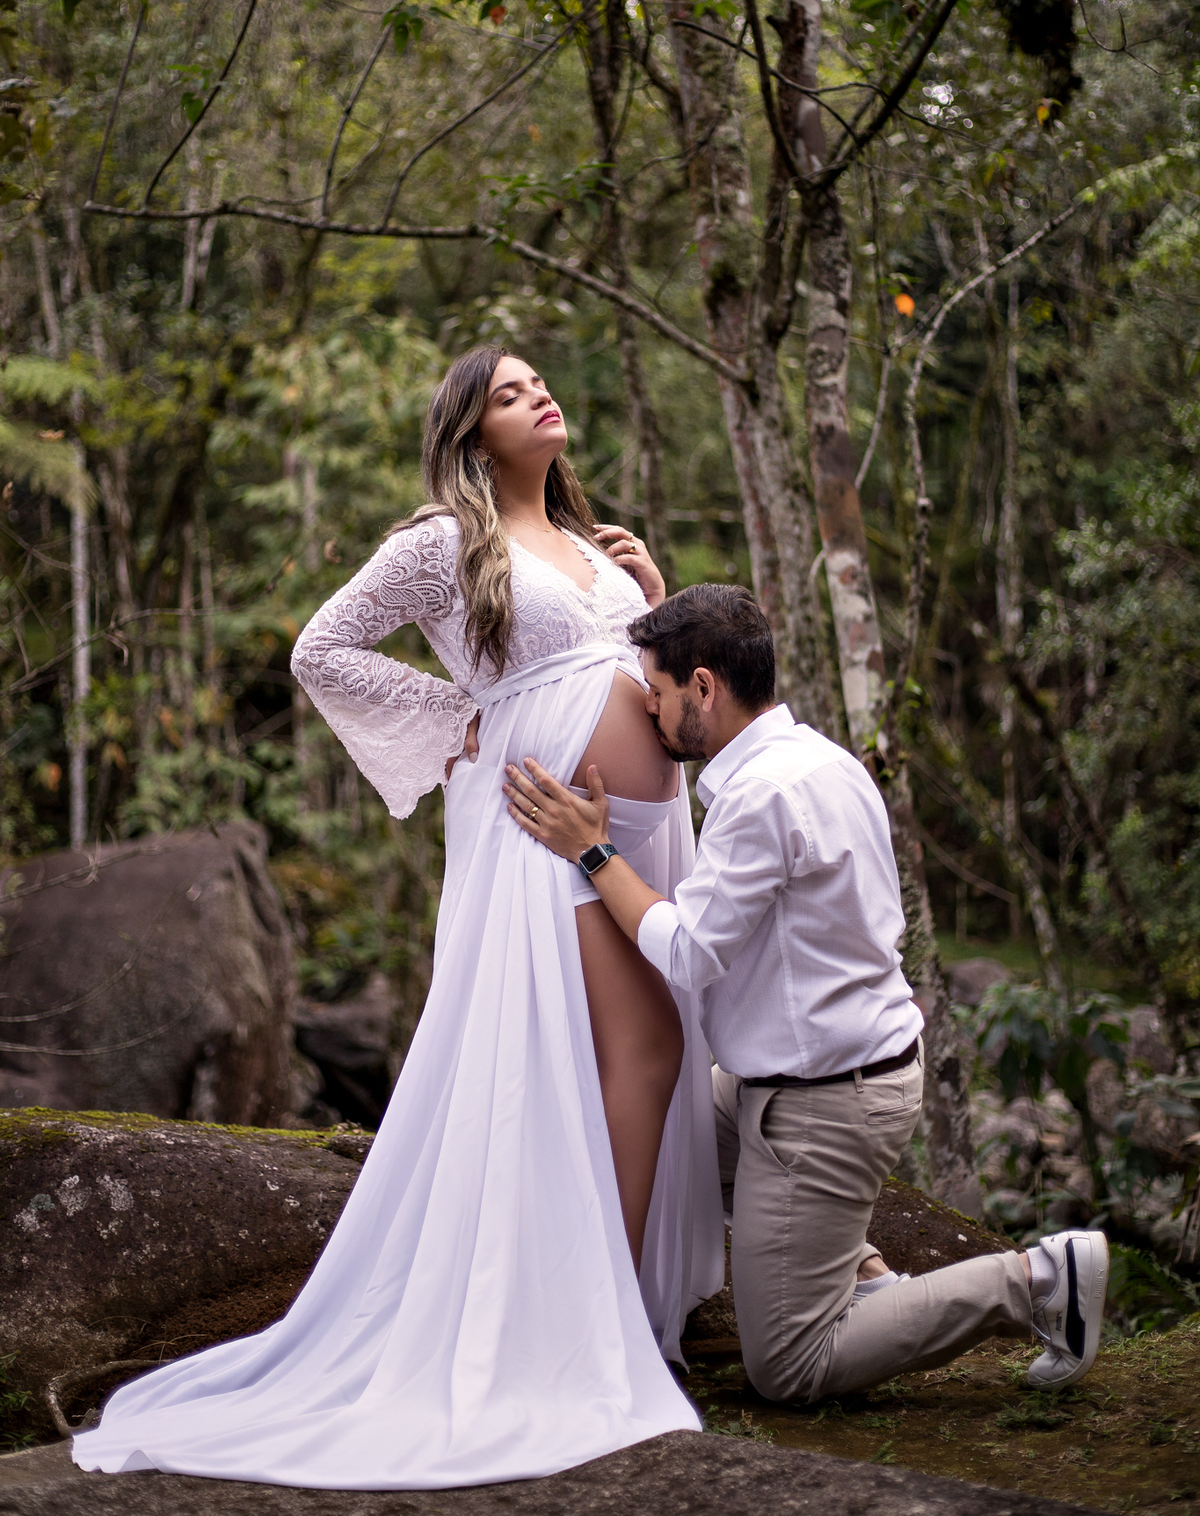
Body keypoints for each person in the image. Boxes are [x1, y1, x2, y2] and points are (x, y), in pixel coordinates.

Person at [73, 348, 723, 1490]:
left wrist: (655, 594)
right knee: (631, 1053)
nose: (540, 397)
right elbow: (319, 647)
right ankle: (596, 1323)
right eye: (513, 392)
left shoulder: (595, 544)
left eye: (539, 381)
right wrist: (457, 726)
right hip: (544, 827)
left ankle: (618, 1311)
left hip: (637, 826)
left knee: (637, 1055)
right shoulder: (441, 543)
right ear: (472, 431)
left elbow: (650, 678)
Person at [504, 581, 1110, 1407]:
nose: (648, 708)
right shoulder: (819, 759)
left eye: (658, 690)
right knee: (673, 1136)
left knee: (788, 1368)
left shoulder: (762, 796)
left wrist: (594, 852)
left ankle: (1040, 1280)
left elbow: (686, 951)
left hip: (826, 1098)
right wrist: (651, 594)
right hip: (803, 1074)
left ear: (705, 688)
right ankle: (861, 1274)